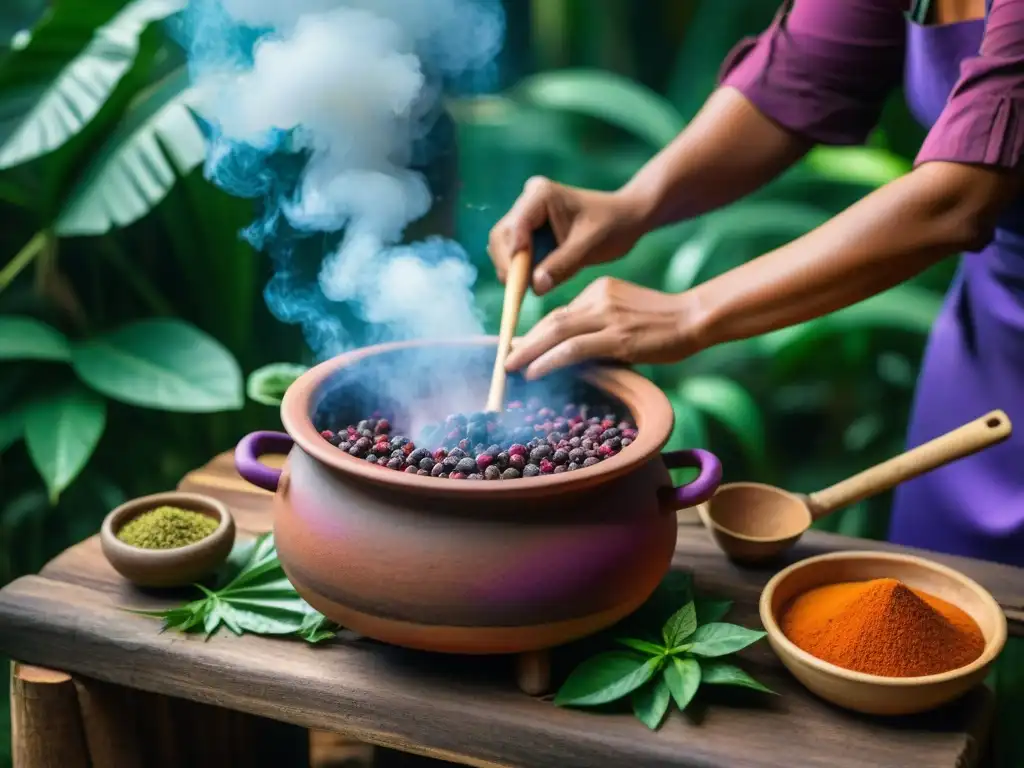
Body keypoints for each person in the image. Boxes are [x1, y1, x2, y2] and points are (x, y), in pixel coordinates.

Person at [486, 0, 1024, 568]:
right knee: (940, 593)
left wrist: (689, 313)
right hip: (989, 330)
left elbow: (958, 197)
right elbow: (802, 72)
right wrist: (632, 205)